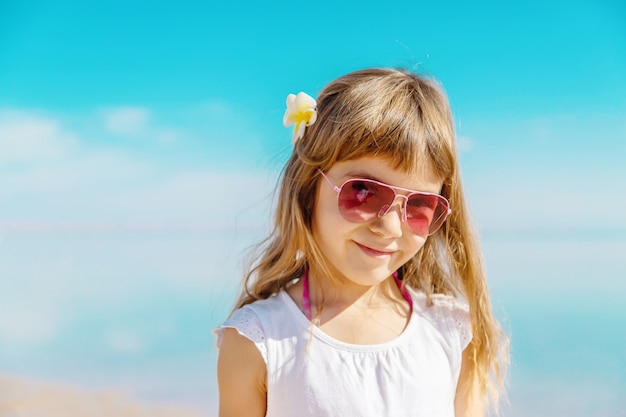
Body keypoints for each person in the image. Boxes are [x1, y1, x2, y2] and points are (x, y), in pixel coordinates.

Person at [214, 68, 508, 417]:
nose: (390, 228)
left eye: (418, 205)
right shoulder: (258, 341)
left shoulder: (451, 331)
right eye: (364, 192)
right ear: (309, 188)